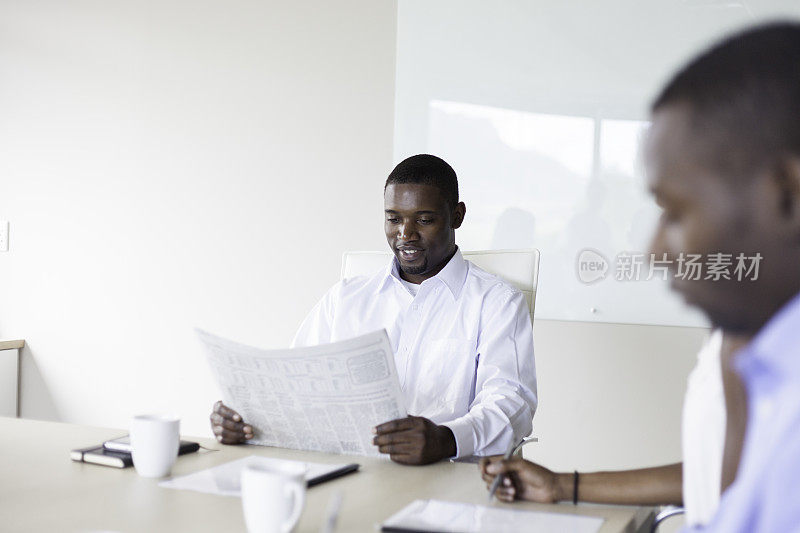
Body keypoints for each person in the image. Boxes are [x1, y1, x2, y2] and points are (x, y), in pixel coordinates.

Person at [483, 21, 800, 531]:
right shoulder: (750, 345)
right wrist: (565, 486)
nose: (654, 252)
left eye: (675, 212)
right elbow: (714, 479)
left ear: (786, 192)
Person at [210, 154, 538, 465]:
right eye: (393, 219)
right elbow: (293, 386)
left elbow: (512, 404)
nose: (405, 234)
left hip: (447, 473)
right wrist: (247, 419)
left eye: (424, 220)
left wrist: (446, 438)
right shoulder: (345, 299)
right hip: (349, 468)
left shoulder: (496, 301)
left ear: (457, 215)